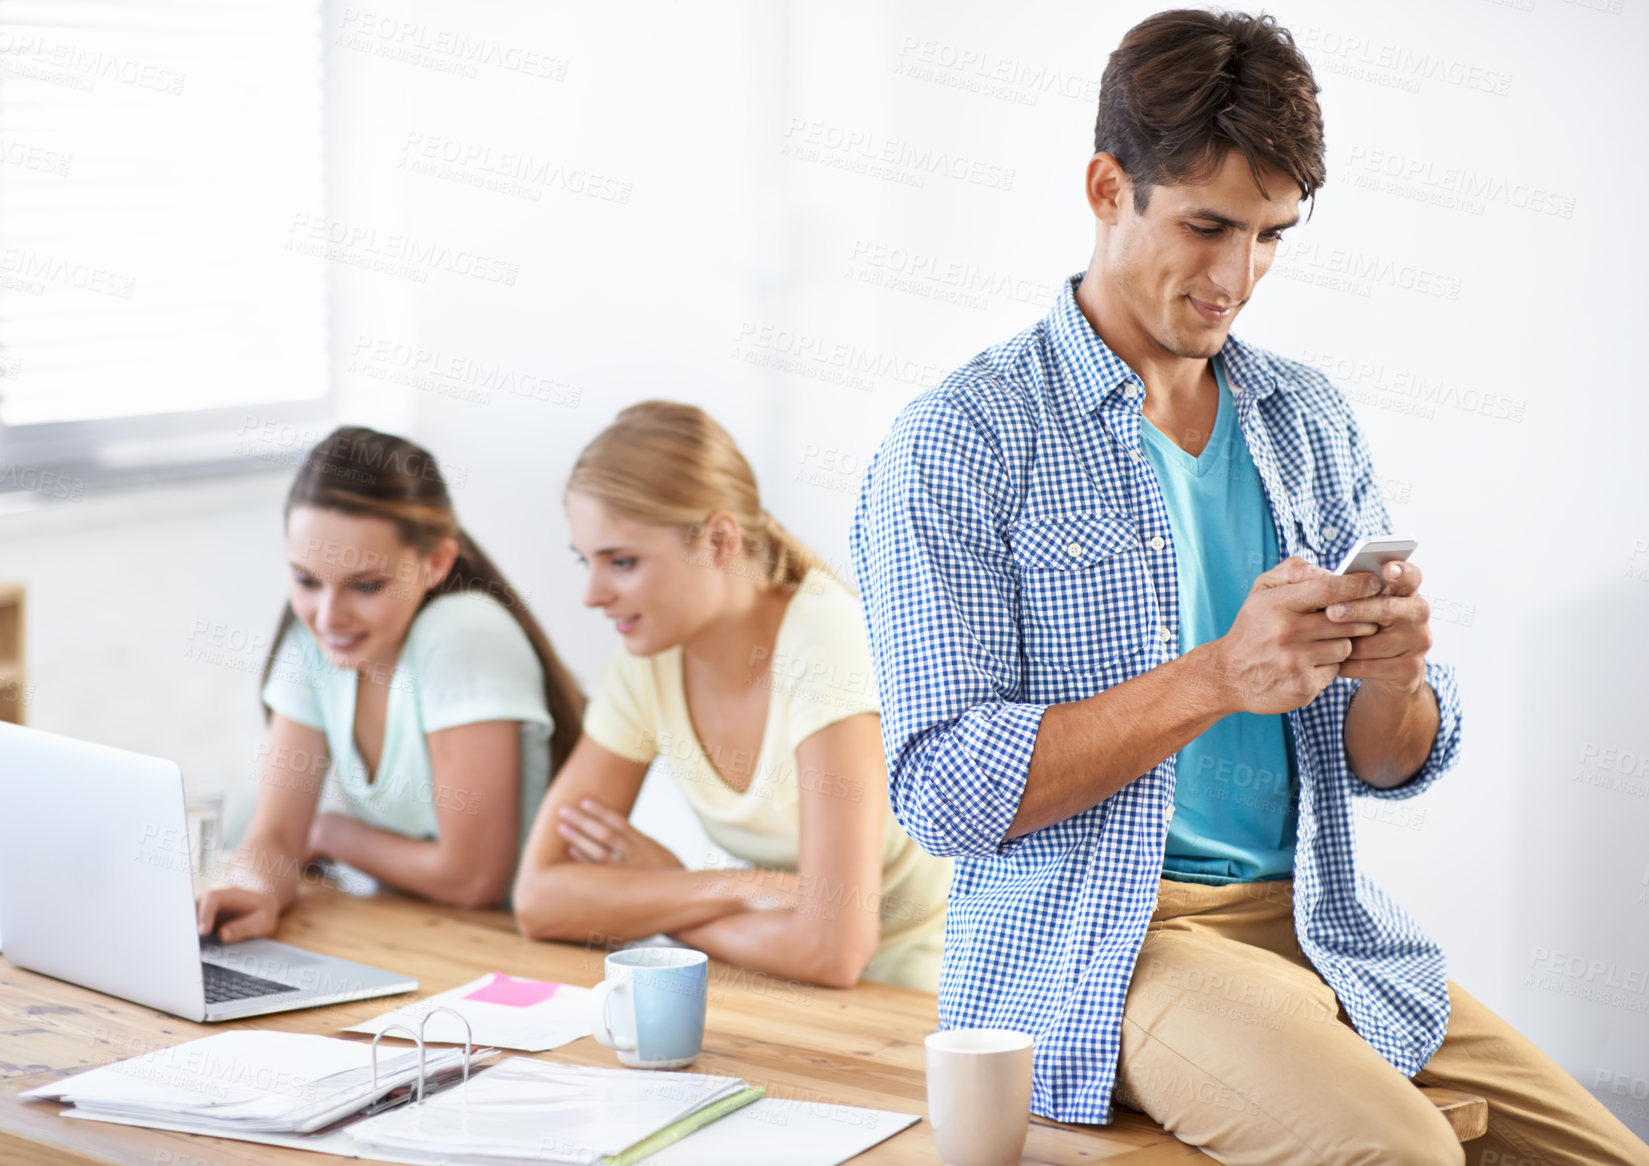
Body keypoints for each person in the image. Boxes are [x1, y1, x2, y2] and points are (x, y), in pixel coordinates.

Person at [850, 10, 1649, 1164]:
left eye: (1271, 235)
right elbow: (944, 792)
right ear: (1106, 185)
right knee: (1410, 1155)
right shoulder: (961, 440)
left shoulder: (1305, 417)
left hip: (1325, 925)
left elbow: (1387, 762)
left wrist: (1396, 676)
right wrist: (1221, 672)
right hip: (1112, 943)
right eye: (1208, 225)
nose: (1236, 277)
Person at [513, 401, 950, 991]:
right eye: (585, 561)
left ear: (719, 540)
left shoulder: (826, 643)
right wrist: (729, 887)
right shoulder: (646, 661)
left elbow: (833, 950)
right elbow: (540, 899)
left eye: (621, 562)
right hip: (772, 975)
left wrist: (666, 902)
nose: (592, 595)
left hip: (912, 1001)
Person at [197, 426, 584, 941]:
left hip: (519, 951)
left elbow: (472, 878)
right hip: (417, 937)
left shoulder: (462, 635)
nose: (329, 616)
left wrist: (332, 833)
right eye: (307, 580)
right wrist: (253, 890)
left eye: (365, 585)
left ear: (436, 563)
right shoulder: (311, 639)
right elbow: (275, 835)